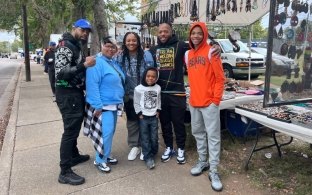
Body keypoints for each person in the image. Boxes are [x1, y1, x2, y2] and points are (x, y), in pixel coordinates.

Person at [150, 22, 221, 165]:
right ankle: (169, 147)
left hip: (178, 93)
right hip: (161, 93)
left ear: (171, 32)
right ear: (157, 34)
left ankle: (181, 148)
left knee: (178, 123)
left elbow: (200, 45)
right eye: (160, 32)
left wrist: (216, 45)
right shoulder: (153, 49)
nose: (163, 34)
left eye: (166, 31)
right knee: (165, 124)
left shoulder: (182, 46)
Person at [54, 18, 95, 185]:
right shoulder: (65, 46)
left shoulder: (76, 45)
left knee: (73, 127)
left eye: (87, 31)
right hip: (67, 93)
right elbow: (61, 73)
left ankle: (73, 155)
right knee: (70, 131)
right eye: (82, 29)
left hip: (74, 92)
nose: (85, 33)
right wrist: (84, 65)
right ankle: (64, 171)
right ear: (74, 28)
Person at [184, 22, 225, 192]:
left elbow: (220, 78)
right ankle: (203, 161)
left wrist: (215, 100)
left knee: (213, 137)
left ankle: (214, 170)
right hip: (194, 101)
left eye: (200, 33)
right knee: (198, 134)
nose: (196, 36)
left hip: (209, 103)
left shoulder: (211, 51)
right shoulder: (187, 54)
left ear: (205, 34)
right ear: (190, 35)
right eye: (194, 33)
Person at [84, 36, 125, 173]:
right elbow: (92, 85)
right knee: (105, 133)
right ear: (102, 45)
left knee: (110, 132)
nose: (110, 49)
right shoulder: (96, 62)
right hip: (102, 106)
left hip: (113, 104)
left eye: (113, 47)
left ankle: (106, 155)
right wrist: (97, 105)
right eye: (108, 45)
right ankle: (100, 159)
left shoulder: (111, 62)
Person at [116, 32, 154, 161]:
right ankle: (134, 146)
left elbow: (152, 73)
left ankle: (145, 146)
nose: (131, 43)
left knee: (146, 121)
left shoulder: (146, 55)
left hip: (146, 94)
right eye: (128, 41)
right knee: (132, 121)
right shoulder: (120, 56)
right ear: (125, 42)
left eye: (133, 40)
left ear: (138, 41)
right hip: (129, 95)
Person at [133, 67, 161, 169]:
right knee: (145, 138)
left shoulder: (158, 88)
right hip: (143, 117)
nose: (150, 78)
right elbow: (136, 102)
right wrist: (139, 113)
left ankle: (153, 152)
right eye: (148, 76)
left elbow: (158, 100)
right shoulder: (138, 88)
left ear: (156, 78)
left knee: (154, 137)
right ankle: (147, 157)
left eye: (153, 76)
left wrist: (158, 110)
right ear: (144, 76)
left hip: (154, 117)